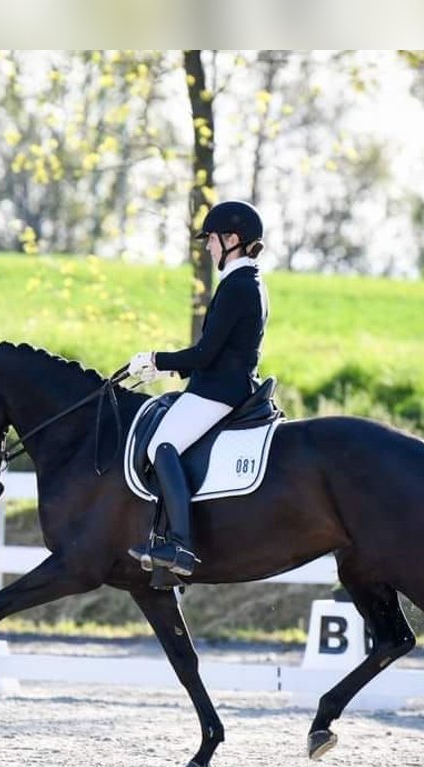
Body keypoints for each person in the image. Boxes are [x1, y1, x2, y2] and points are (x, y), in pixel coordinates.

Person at [126, 199, 269, 578]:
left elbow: (205, 353)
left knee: (161, 446)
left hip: (220, 391)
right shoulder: (246, 281)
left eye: (212, 240)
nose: (207, 246)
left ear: (232, 239)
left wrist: (157, 360)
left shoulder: (239, 285)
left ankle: (180, 546)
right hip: (220, 385)